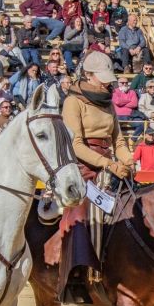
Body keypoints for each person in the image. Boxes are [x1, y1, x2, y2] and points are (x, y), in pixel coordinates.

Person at [56, 50, 133, 282]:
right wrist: (108, 164)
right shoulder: (72, 102)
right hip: (82, 167)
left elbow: (118, 140)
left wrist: (128, 161)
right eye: (102, 76)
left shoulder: (108, 103)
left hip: (108, 163)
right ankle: (83, 269)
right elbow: (76, 145)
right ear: (88, 75)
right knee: (84, 209)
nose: (107, 81)